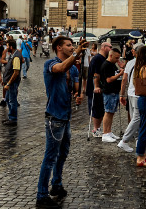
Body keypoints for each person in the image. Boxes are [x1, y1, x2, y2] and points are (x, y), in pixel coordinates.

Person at [35, 37, 87, 208]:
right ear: (59, 47)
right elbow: (60, 68)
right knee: (50, 157)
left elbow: (74, 88)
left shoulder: (72, 69)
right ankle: (41, 195)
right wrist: (77, 52)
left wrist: (77, 95)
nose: (71, 47)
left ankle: (56, 185)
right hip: (54, 117)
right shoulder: (50, 64)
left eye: (72, 45)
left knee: (63, 154)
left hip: (66, 116)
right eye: (68, 45)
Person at [86, 42, 110, 137]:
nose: (111, 48)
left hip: (101, 88)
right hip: (95, 88)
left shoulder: (104, 58)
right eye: (110, 47)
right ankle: (96, 129)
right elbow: (96, 74)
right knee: (96, 108)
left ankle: (99, 128)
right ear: (104, 47)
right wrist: (96, 86)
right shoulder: (97, 59)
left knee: (100, 108)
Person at [100, 48, 124, 143]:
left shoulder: (112, 64)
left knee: (111, 113)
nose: (117, 60)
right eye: (116, 58)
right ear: (111, 55)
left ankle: (109, 131)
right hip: (109, 91)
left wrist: (120, 71)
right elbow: (108, 79)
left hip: (114, 91)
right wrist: (120, 74)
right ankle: (105, 133)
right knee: (108, 112)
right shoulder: (106, 65)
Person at [118, 45, 138, 153]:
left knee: (134, 118)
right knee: (137, 118)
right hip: (137, 94)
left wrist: (122, 94)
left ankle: (138, 141)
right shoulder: (143, 63)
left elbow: (124, 79)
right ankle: (124, 140)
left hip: (130, 93)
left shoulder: (130, 63)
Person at [2, 39, 21, 126]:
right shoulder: (13, 55)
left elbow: (16, 72)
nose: (6, 47)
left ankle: (13, 119)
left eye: (7, 46)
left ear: (11, 47)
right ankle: (10, 117)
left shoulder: (16, 56)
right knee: (8, 99)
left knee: (12, 101)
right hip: (9, 82)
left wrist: (8, 83)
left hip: (12, 83)